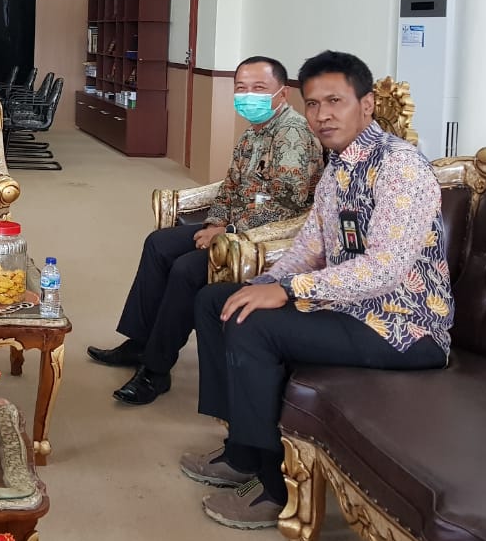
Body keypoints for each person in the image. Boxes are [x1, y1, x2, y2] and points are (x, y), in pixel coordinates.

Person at [181, 50, 453, 530]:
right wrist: (264, 283)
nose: (322, 115)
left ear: (366, 104)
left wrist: (288, 292)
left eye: (335, 101)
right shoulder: (338, 165)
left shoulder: (400, 167)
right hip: (348, 306)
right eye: (312, 103)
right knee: (216, 300)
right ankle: (242, 450)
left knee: (255, 328)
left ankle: (274, 486)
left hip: (401, 326)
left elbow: (385, 270)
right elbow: (309, 247)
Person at [88, 56, 322, 405]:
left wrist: (229, 229)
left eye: (259, 88)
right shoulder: (254, 131)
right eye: (241, 88)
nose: (248, 95)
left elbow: (287, 206)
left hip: (266, 239)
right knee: (158, 244)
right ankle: (139, 343)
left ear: (282, 93)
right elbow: (230, 187)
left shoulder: (292, 134)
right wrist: (215, 222)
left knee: (186, 269)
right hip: (233, 228)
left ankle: (156, 369)